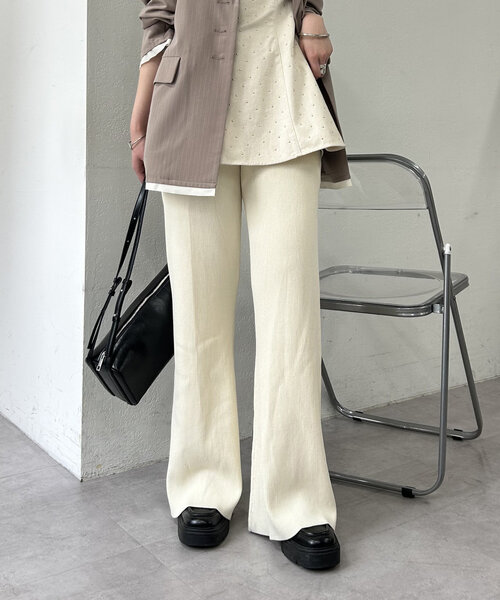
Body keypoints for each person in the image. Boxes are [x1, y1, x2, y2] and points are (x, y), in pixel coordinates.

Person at [130, 0, 350, 570]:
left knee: (291, 319)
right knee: (198, 319)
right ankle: (203, 483)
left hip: (285, 104)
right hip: (188, 114)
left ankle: (294, 499)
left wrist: (311, 14)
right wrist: (140, 118)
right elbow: (159, 18)